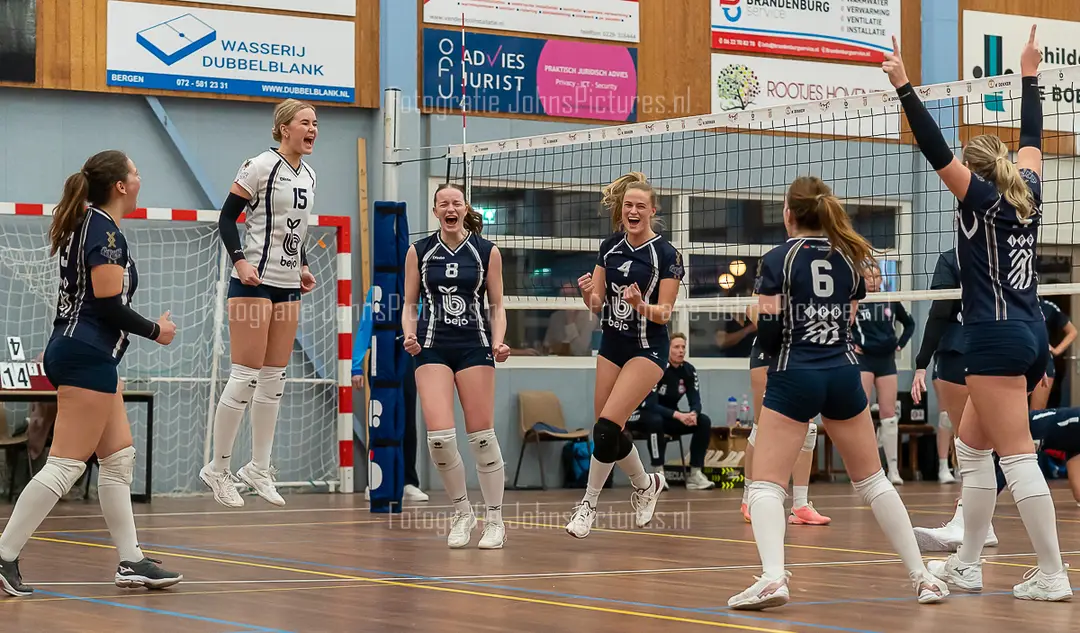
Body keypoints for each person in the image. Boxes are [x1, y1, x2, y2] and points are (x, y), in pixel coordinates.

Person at [887, 28, 1070, 600]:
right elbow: (1033, 136)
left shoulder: (982, 200)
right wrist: (1030, 75)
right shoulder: (1029, 190)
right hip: (1030, 331)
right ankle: (967, 563)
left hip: (994, 336)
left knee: (1016, 456)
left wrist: (904, 87)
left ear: (974, 173)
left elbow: (933, 147)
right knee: (971, 448)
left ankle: (1053, 573)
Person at [728, 175, 948, 610]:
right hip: (845, 373)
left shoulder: (777, 259)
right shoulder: (848, 259)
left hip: (795, 374)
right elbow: (847, 321)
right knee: (874, 481)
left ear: (788, 214)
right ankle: (923, 577)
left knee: (766, 485)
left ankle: (773, 578)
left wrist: (764, 322)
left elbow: (768, 332)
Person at [0, 150, 181, 597]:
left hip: (85, 353)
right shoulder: (104, 231)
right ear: (120, 186)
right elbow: (108, 305)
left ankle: (131, 560)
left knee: (118, 459)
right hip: (85, 353)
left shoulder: (91, 224)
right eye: (135, 172)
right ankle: (4, 553)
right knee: (65, 465)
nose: (140, 178)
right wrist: (156, 330)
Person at [199, 99, 319, 509]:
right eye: (305, 122)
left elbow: (294, 231)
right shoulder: (259, 166)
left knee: (274, 379)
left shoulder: (310, 175)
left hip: (288, 285)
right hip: (253, 282)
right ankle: (218, 468)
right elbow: (226, 218)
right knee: (245, 376)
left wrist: (303, 266)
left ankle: (258, 468)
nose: (313, 129)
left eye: (315, 123)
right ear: (285, 128)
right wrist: (240, 261)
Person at [564, 172, 683, 539]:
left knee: (605, 427)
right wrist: (586, 293)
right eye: (628, 205)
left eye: (640, 206)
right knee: (607, 431)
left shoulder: (667, 255)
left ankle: (588, 505)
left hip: (648, 347)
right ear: (622, 210)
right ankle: (647, 484)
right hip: (612, 344)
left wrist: (640, 304)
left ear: (652, 211)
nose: (633, 211)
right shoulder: (610, 246)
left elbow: (665, 313)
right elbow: (597, 305)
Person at [402, 183, 510, 549]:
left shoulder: (486, 251)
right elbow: (409, 304)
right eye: (443, 204)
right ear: (435, 211)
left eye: (456, 203)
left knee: (481, 437)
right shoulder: (419, 251)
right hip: (431, 346)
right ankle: (463, 513)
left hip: (474, 346)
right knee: (440, 440)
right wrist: (409, 334)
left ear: (465, 209)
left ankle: (494, 520)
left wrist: (498, 341)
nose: (450, 208)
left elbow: (497, 305)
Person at [914, 406, 1080, 551]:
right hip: (1066, 437)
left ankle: (1050, 565)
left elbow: (1004, 471)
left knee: (1015, 462)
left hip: (1057, 429)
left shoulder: (1027, 429)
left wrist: (976, 498)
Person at [741, 263, 831, 527]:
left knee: (808, 428)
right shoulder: (770, 282)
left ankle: (800, 504)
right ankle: (748, 498)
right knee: (762, 428)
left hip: (800, 357)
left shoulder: (811, 284)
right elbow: (753, 311)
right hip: (767, 355)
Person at [351, 287, 428, 502]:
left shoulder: (419, 290)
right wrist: (356, 366)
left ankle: (408, 482)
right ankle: (376, 481)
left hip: (408, 357)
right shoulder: (378, 289)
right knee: (380, 419)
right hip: (381, 357)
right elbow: (366, 324)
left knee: (408, 419)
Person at [625, 333, 714, 490]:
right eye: (676, 347)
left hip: (669, 416)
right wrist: (679, 415)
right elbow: (651, 404)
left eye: (683, 347)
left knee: (703, 421)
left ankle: (695, 473)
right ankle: (658, 473)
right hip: (640, 413)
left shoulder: (688, 370)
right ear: (668, 349)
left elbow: (695, 399)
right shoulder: (657, 368)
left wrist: (693, 413)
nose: (681, 351)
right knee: (655, 420)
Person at [853, 263, 915, 485]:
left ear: (881, 279)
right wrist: (849, 343)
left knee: (889, 416)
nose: (872, 280)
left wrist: (900, 344)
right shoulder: (856, 300)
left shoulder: (890, 299)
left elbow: (909, 324)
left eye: (876, 276)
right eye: (868, 276)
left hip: (886, 360)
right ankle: (865, 470)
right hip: (863, 359)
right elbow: (841, 324)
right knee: (861, 412)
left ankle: (893, 470)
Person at [911, 248, 965, 485]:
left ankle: (968, 488)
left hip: (959, 350)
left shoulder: (953, 258)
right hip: (998, 347)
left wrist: (921, 363)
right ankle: (946, 465)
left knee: (965, 431)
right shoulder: (1005, 253)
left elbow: (940, 312)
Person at [1030, 297, 1076, 410]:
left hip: (1043, 363)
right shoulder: (1013, 304)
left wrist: (1056, 350)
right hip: (1019, 361)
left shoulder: (1047, 306)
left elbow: (1072, 331)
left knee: (1036, 413)